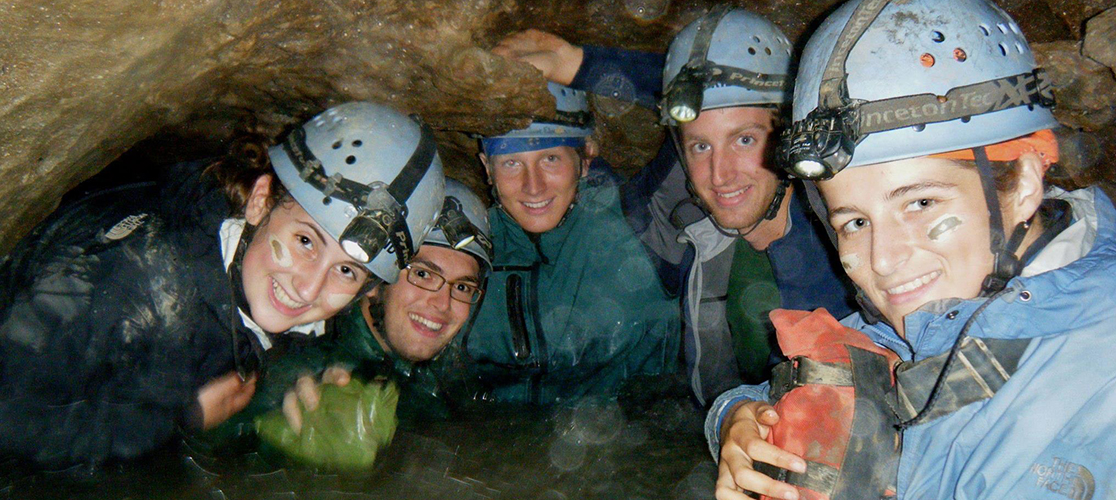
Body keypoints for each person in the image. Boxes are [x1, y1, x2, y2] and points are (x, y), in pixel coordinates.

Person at [710, 0, 1116, 498]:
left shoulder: (1108, 368)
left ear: (1025, 181)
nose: (883, 260)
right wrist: (738, 418)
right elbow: (779, 391)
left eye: (921, 203)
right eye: (855, 222)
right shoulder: (924, 321)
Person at [0, 101, 445, 467]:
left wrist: (297, 384)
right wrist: (178, 422)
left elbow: (262, 350)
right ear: (260, 201)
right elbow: (12, 423)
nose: (309, 289)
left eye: (347, 271)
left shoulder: (253, 279)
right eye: (306, 241)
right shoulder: (133, 280)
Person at [490, 6, 856, 405]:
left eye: (744, 140)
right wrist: (576, 66)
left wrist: (583, 65)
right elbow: (682, 105)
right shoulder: (681, 229)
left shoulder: (839, 247)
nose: (720, 174)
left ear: (789, 131)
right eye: (701, 146)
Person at [208, 178, 494, 446]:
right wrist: (281, 429)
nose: (442, 304)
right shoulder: (307, 361)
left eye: (462, 288)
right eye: (422, 274)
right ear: (374, 283)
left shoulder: (459, 371)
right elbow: (234, 424)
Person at [464, 81, 681, 405]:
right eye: (511, 163)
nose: (533, 186)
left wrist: (579, 66)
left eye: (550, 158)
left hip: (631, 430)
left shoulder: (640, 224)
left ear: (586, 157)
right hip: (492, 433)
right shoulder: (469, 247)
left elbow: (708, 106)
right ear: (487, 168)